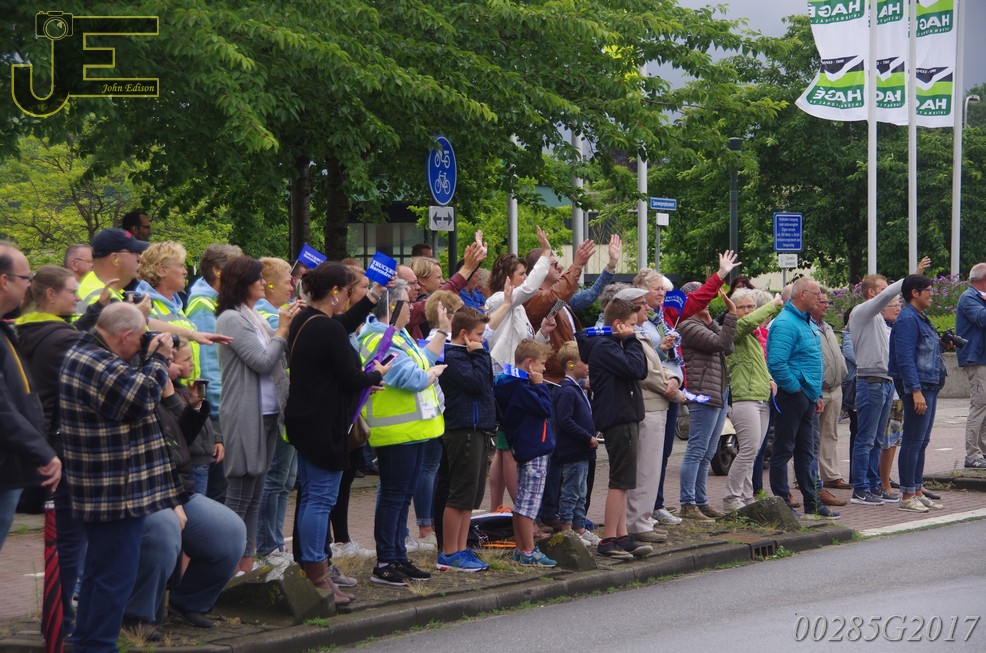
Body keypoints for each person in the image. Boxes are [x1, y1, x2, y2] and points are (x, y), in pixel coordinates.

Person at [59, 303, 178, 652]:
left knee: (100, 573)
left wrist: (147, 355)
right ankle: (97, 645)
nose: (143, 343)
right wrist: (158, 360)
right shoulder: (96, 362)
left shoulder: (89, 352)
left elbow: (128, 385)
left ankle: (88, 642)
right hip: (113, 491)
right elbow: (140, 399)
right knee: (114, 576)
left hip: (107, 486)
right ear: (124, 336)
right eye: (139, 338)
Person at [286, 262, 390, 603]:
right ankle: (317, 576)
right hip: (323, 424)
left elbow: (342, 324)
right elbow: (351, 377)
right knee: (320, 499)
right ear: (334, 292)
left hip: (305, 421)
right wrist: (377, 374)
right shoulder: (326, 328)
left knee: (311, 497)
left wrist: (372, 296)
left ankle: (313, 569)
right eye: (347, 292)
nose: (348, 298)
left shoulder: (307, 319)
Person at [124, 339, 245, 634]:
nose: (179, 367)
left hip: (179, 489)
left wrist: (184, 400)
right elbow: (152, 456)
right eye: (169, 360)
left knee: (231, 532)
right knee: (164, 531)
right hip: (148, 492)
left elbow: (185, 437)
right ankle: (137, 616)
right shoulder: (135, 394)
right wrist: (172, 501)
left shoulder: (169, 392)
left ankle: (189, 601)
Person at [14, 264, 108, 628]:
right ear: (51, 294)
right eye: (72, 292)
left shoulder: (21, 331)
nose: (78, 298)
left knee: (61, 541)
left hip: (33, 443)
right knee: (69, 542)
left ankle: (57, 619)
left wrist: (94, 312)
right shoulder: (64, 339)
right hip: (63, 447)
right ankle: (61, 623)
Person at [215, 256, 301, 574]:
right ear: (243, 284)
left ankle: (246, 563)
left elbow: (278, 356)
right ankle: (225, 567)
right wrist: (283, 329)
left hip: (267, 414)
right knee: (240, 493)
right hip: (245, 413)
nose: (263, 284)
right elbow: (263, 361)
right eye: (258, 279)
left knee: (254, 493)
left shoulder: (251, 315)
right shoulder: (231, 318)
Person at [358, 283, 447, 586]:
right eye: (408, 302)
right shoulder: (377, 338)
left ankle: (398, 556)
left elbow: (423, 360)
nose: (413, 307)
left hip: (413, 431)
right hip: (395, 432)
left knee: (403, 496)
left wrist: (442, 333)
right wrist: (432, 375)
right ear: (392, 306)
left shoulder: (400, 335)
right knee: (393, 497)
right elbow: (411, 377)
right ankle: (385, 561)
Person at [847, 257, 930, 506]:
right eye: (883, 289)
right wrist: (912, 277)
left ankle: (874, 484)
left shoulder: (879, 321)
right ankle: (860, 488)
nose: (889, 295)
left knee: (877, 440)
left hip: (884, 382)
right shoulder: (862, 312)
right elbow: (887, 297)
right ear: (871, 293)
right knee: (866, 438)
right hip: (870, 381)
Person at [576, 298, 652, 559]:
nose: (635, 329)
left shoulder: (610, 345)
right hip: (619, 416)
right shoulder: (606, 347)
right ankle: (608, 538)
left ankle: (622, 535)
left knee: (625, 478)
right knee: (620, 480)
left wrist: (628, 340)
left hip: (624, 415)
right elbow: (638, 368)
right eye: (631, 324)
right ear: (618, 324)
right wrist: (631, 340)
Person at [0, 244, 62, 551]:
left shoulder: (5, 329)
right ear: (4, 281)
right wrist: (41, 451)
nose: (30, 286)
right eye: (26, 278)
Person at [485, 227, 551, 510]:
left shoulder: (517, 306)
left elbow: (522, 349)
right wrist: (545, 254)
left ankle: (498, 508)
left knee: (503, 449)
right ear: (507, 278)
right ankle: (521, 512)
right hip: (506, 380)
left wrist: (543, 334)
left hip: (514, 378)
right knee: (510, 448)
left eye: (526, 273)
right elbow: (531, 288)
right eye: (521, 273)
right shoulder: (500, 300)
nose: (525, 278)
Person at [767, 277, 837, 519]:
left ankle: (812, 504)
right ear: (802, 294)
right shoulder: (786, 323)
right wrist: (795, 390)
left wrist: (815, 394)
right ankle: (783, 504)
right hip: (793, 396)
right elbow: (777, 363)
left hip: (807, 395)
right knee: (784, 449)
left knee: (806, 451)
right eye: (816, 293)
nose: (820, 298)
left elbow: (811, 360)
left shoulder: (805, 321)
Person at [435, 307, 495, 572]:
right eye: (479, 334)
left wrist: (479, 354)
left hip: (479, 428)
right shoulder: (453, 356)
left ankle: (461, 547)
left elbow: (486, 382)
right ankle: (449, 551)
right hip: (463, 430)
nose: (482, 340)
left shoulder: (472, 355)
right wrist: (480, 354)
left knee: (471, 496)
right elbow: (478, 384)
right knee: (460, 493)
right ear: (464, 333)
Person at [625, 293, 684, 542]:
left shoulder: (642, 333)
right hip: (647, 405)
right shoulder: (629, 336)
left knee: (653, 466)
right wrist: (675, 391)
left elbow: (660, 365)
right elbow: (646, 372)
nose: (647, 309)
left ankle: (645, 519)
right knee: (645, 468)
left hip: (658, 404)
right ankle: (638, 522)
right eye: (642, 305)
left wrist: (675, 378)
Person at [493, 339, 558, 567]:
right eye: (541, 364)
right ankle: (528, 550)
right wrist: (539, 385)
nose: (544, 369)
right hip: (534, 448)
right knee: (529, 504)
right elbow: (545, 408)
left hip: (525, 447)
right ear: (529, 364)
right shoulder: (523, 387)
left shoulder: (511, 383)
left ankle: (522, 549)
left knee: (523, 501)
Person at [186, 244, 243, 501]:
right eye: (236, 268)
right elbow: (209, 363)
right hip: (219, 410)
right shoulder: (203, 305)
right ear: (218, 271)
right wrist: (221, 409)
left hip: (225, 406)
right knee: (219, 489)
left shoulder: (220, 301)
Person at [676, 290, 737, 521]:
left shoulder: (702, 324)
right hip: (703, 393)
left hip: (717, 391)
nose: (708, 303)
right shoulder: (687, 326)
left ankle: (701, 501)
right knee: (697, 450)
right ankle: (688, 503)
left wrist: (711, 321)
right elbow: (722, 343)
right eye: (703, 300)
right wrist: (731, 314)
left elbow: (728, 348)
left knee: (708, 452)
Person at [890, 275, 946, 513]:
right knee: (912, 442)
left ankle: (917, 490)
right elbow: (904, 358)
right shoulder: (907, 319)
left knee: (922, 441)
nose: (931, 294)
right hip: (919, 387)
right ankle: (907, 495)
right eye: (928, 290)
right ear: (915, 292)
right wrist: (915, 391)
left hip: (929, 385)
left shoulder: (919, 317)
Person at [723, 289, 782, 512]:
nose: (747, 311)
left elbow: (758, 362)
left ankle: (746, 497)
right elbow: (747, 322)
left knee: (753, 451)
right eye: (741, 307)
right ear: (732, 310)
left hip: (760, 396)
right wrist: (773, 304)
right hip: (743, 397)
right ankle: (731, 498)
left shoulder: (753, 335)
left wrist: (769, 378)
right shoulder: (734, 329)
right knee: (748, 449)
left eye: (750, 307)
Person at [255, 257, 298, 560]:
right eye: (287, 281)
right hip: (274, 406)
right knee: (274, 478)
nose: (292, 286)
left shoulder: (280, 313)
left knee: (285, 480)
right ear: (268, 284)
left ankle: (277, 542)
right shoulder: (265, 316)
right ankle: (267, 545)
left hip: (286, 403)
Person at [551, 340, 600, 546]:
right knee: (571, 491)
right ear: (571, 364)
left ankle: (579, 527)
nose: (588, 366)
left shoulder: (577, 389)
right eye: (584, 362)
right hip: (573, 450)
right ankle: (567, 529)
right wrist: (586, 437)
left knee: (581, 492)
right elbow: (565, 420)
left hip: (583, 451)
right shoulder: (567, 391)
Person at [810, 288, 849, 507]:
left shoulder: (826, 327)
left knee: (830, 434)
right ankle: (807, 476)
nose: (826, 305)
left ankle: (831, 475)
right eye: (822, 302)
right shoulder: (807, 326)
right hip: (818, 389)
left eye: (827, 302)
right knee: (811, 436)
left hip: (835, 388)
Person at [73, 227, 148, 317]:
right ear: (115, 259)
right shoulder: (100, 297)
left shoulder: (99, 285)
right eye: (134, 252)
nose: (139, 258)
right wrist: (137, 315)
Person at [955, 262, 986, 469]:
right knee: (979, 406)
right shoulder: (968, 297)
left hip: (984, 359)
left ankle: (982, 452)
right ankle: (972, 455)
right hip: (978, 360)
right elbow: (982, 319)